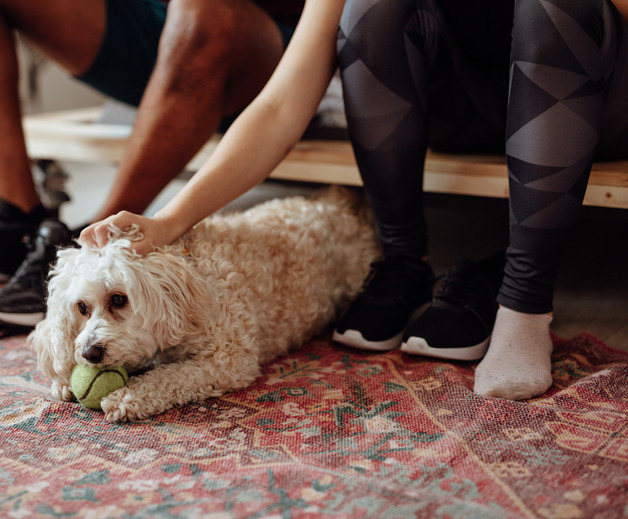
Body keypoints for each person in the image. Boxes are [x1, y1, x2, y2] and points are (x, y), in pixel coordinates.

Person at [81, 0, 628, 401]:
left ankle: (524, 302)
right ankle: (402, 263)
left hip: (588, 100)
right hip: (469, 108)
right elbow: (280, 104)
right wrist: (171, 218)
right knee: (369, 9)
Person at [0, 0, 304, 327]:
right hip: (154, 17)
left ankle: (97, 242)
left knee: (207, 10)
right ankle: (13, 219)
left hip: (261, 33)